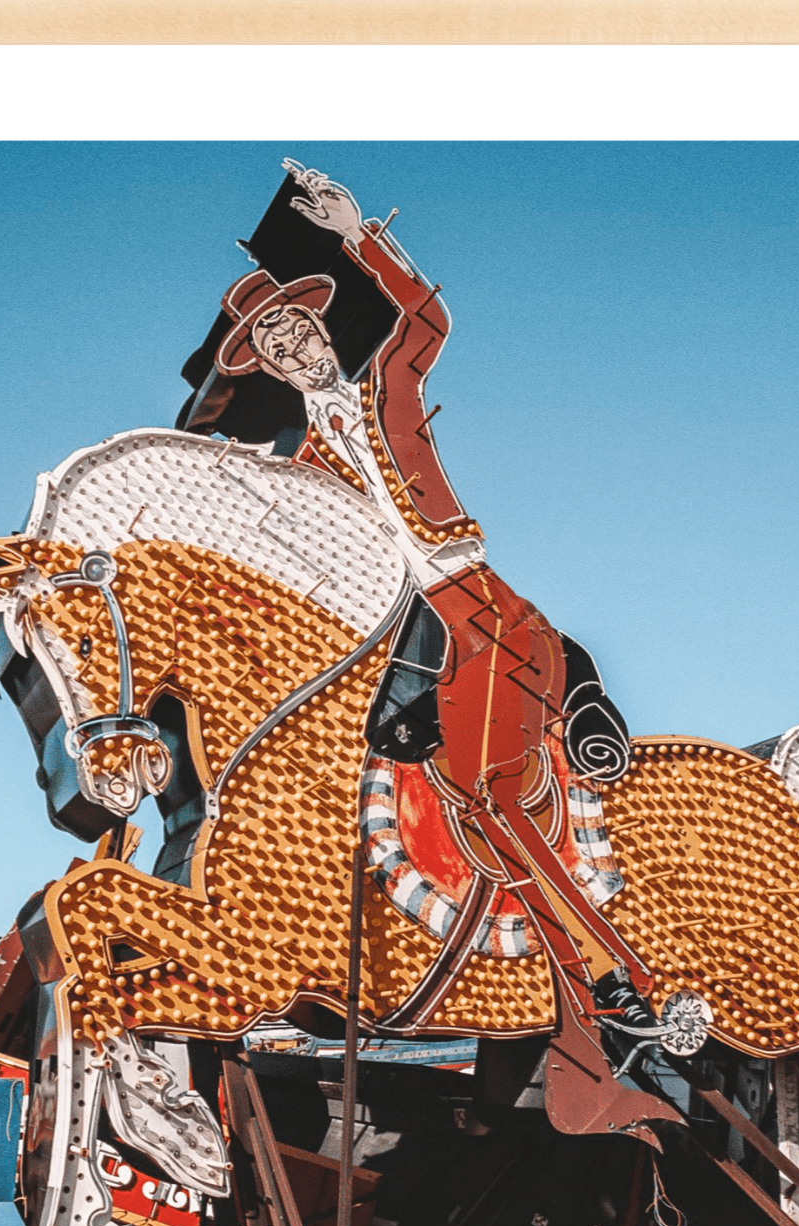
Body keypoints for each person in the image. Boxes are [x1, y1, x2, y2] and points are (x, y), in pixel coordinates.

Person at [212, 161, 668, 1070]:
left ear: (320, 329)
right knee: (375, 773)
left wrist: (357, 235)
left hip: (484, 612)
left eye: (299, 328)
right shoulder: (301, 469)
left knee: (488, 789)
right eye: (276, 343)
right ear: (266, 364)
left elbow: (427, 319)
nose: (296, 347)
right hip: (409, 641)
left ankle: (617, 978)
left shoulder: (387, 390)